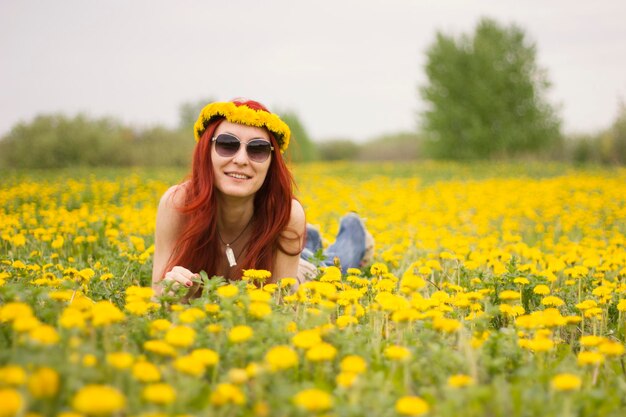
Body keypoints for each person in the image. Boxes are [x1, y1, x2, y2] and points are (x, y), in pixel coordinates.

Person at [151, 98, 372, 297]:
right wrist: (171, 291)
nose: (241, 159)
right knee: (308, 244)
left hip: (289, 263)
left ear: (271, 162)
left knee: (333, 268)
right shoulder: (177, 203)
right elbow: (157, 292)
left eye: (257, 149)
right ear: (206, 152)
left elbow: (279, 306)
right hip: (284, 240)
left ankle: (354, 229)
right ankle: (309, 237)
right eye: (227, 144)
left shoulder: (287, 215)